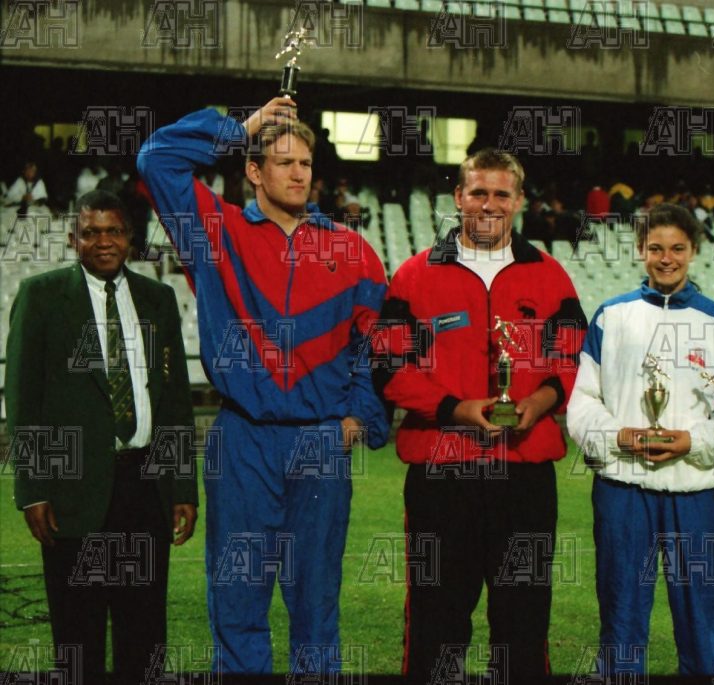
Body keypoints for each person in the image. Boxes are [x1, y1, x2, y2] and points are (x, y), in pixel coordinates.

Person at [136, 97, 390, 675]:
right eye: (283, 162)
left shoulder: (352, 250)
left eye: (306, 163)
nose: (299, 174)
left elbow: (376, 346)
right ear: (253, 170)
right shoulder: (215, 231)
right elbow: (155, 159)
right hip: (243, 437)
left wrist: (356, 417)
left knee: (316, 602)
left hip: (321, 440)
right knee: (238, 597)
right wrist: (240, 128)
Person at [371, 148, 587, 682]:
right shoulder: (414, 275)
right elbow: (388, 368)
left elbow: (573, 359)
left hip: (524, 471)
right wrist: (455, 409)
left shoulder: (551, 275)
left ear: (519, 200)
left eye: (501, 194)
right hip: (442, 471)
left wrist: (541, 402)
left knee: (523, 617)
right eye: (478, 193)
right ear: (458, 197)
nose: (489, 204)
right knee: (436, 617)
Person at [6, 189, 198, 684]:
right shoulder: (42, 297)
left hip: (145, 487)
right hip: (72, 489)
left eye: (113, 231)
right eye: (91, 233)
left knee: (145, 632)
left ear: (130, 237)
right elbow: (23, 401)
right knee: (77, 636)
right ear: (74, 240)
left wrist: (182, 487)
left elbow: (175, 403)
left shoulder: (158, 299)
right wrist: (33, 490)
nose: (103, 241)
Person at [566, 203, 714, 676]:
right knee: (621, 618)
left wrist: (691, 442)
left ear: (694, 250)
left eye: (678, 248)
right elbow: (582, 402)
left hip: (697, 492)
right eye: (656, 248)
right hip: (623, 490)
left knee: (701, 619)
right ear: (641, 250)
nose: (667, 259)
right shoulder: (611, 316)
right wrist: (619, 435)